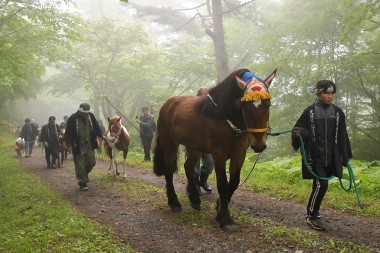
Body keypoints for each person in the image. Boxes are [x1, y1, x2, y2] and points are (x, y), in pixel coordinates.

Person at [291, 80, 352, 231]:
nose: (330, 96)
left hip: (330, 157)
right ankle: (312, 215)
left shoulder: (337, 113)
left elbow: (343, 135)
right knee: (322, 184)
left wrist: (345, 155)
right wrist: (299, 133)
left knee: (318, 185)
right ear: (318, 93)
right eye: (327, 93)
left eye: (332, 93)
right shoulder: (310, 111)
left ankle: (312, 212)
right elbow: (299, 128)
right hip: (315, 157)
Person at [64, 103, 103, 191]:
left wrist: (100, 136)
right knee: (79, 165)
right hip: (78, 145)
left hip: (89, 144)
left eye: (87, 112)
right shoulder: (73, 118)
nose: (86, 114)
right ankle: (82, 182)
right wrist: (69, 145)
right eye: (84, 113)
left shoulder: (90, 116)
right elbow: (68, 133)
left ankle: (83, 175)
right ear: (79, 111)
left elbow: (96, 127)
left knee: (91, 162)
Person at [194, 87, 213, 194]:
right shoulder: (193, 109)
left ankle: (203, 182)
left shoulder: (211, 110)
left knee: (209, 165)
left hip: (207, 142)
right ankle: (195, 185)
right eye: (203, 96)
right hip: (194, 142)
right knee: (194, 167)